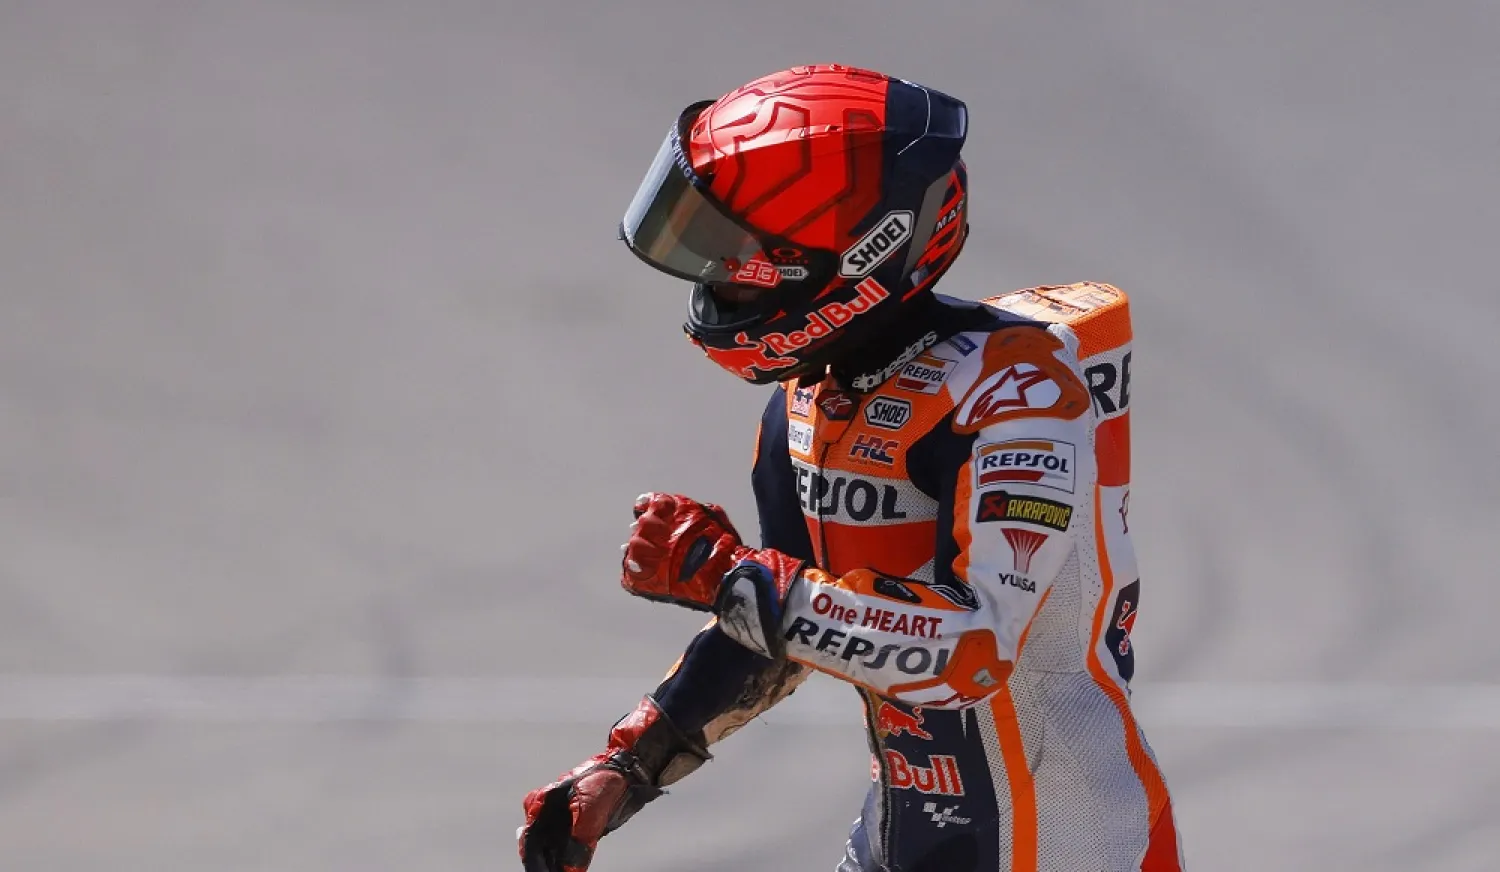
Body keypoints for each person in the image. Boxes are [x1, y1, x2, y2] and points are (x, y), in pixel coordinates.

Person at [518, 64, 1184, 872]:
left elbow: (974, 649)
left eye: (736, 254)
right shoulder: (807, 399)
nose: (716, 279)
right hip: (904, 837)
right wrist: (630, 764)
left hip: (1072, 848)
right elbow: (781, 629)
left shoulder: (1020, 396)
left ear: (858, 253)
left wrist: (737, 578)